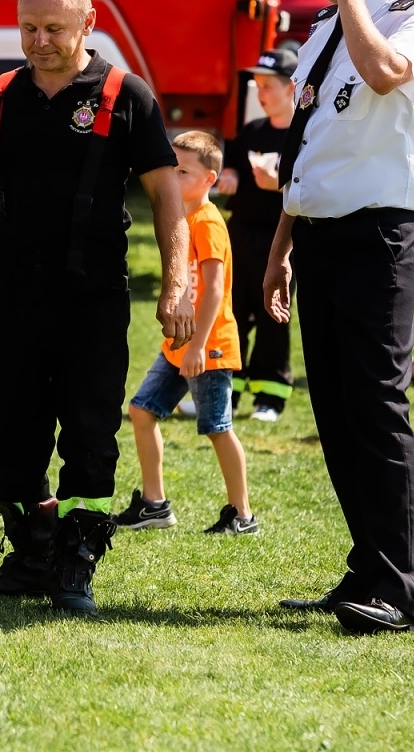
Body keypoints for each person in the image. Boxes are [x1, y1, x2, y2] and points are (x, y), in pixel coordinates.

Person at [0, 0, 194, 614]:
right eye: (29, 28)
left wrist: (177, 285)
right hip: (13, 293)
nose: (39, 42)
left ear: (88, 24)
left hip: (93, 296)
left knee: (89, 432)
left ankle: (76, 563)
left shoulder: (127, 95)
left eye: (54, 30)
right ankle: (33, 550)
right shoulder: (0, 95)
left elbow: (167, 197)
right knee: (0, 430)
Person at [264, 0, 414, 636]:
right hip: (320, 234)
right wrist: (282, 248)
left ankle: (400, 589)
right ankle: (367, 566)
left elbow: (381, 76)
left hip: (381, 234)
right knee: (338, 414)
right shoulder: (321, 29)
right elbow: (309, 146)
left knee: (376, 407)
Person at [117, 132, 256, 535]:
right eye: (170, 167)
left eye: (184, 171)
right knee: (142, 410)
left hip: (207, 347)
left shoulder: (209, 222)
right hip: (179, 345)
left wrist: (197, 345)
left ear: (209, 179)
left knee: (217, 427)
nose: (173, 176)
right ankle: (154, 505)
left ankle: (242, 515)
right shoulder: (182, 219)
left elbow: (215, 289)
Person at [218, 47, 298, 420]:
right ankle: (225, 390)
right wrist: (230, 177)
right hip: (240, 236)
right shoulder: (252, 131)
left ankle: (270, 395)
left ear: (292, 89)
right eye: (258, 86)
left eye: (268, 86)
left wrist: (278, 184)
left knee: (273, 316)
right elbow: (231, 166)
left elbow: (314, 187)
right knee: (232, 312)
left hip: (281, 242)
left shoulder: (304, 136)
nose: (261, 94)